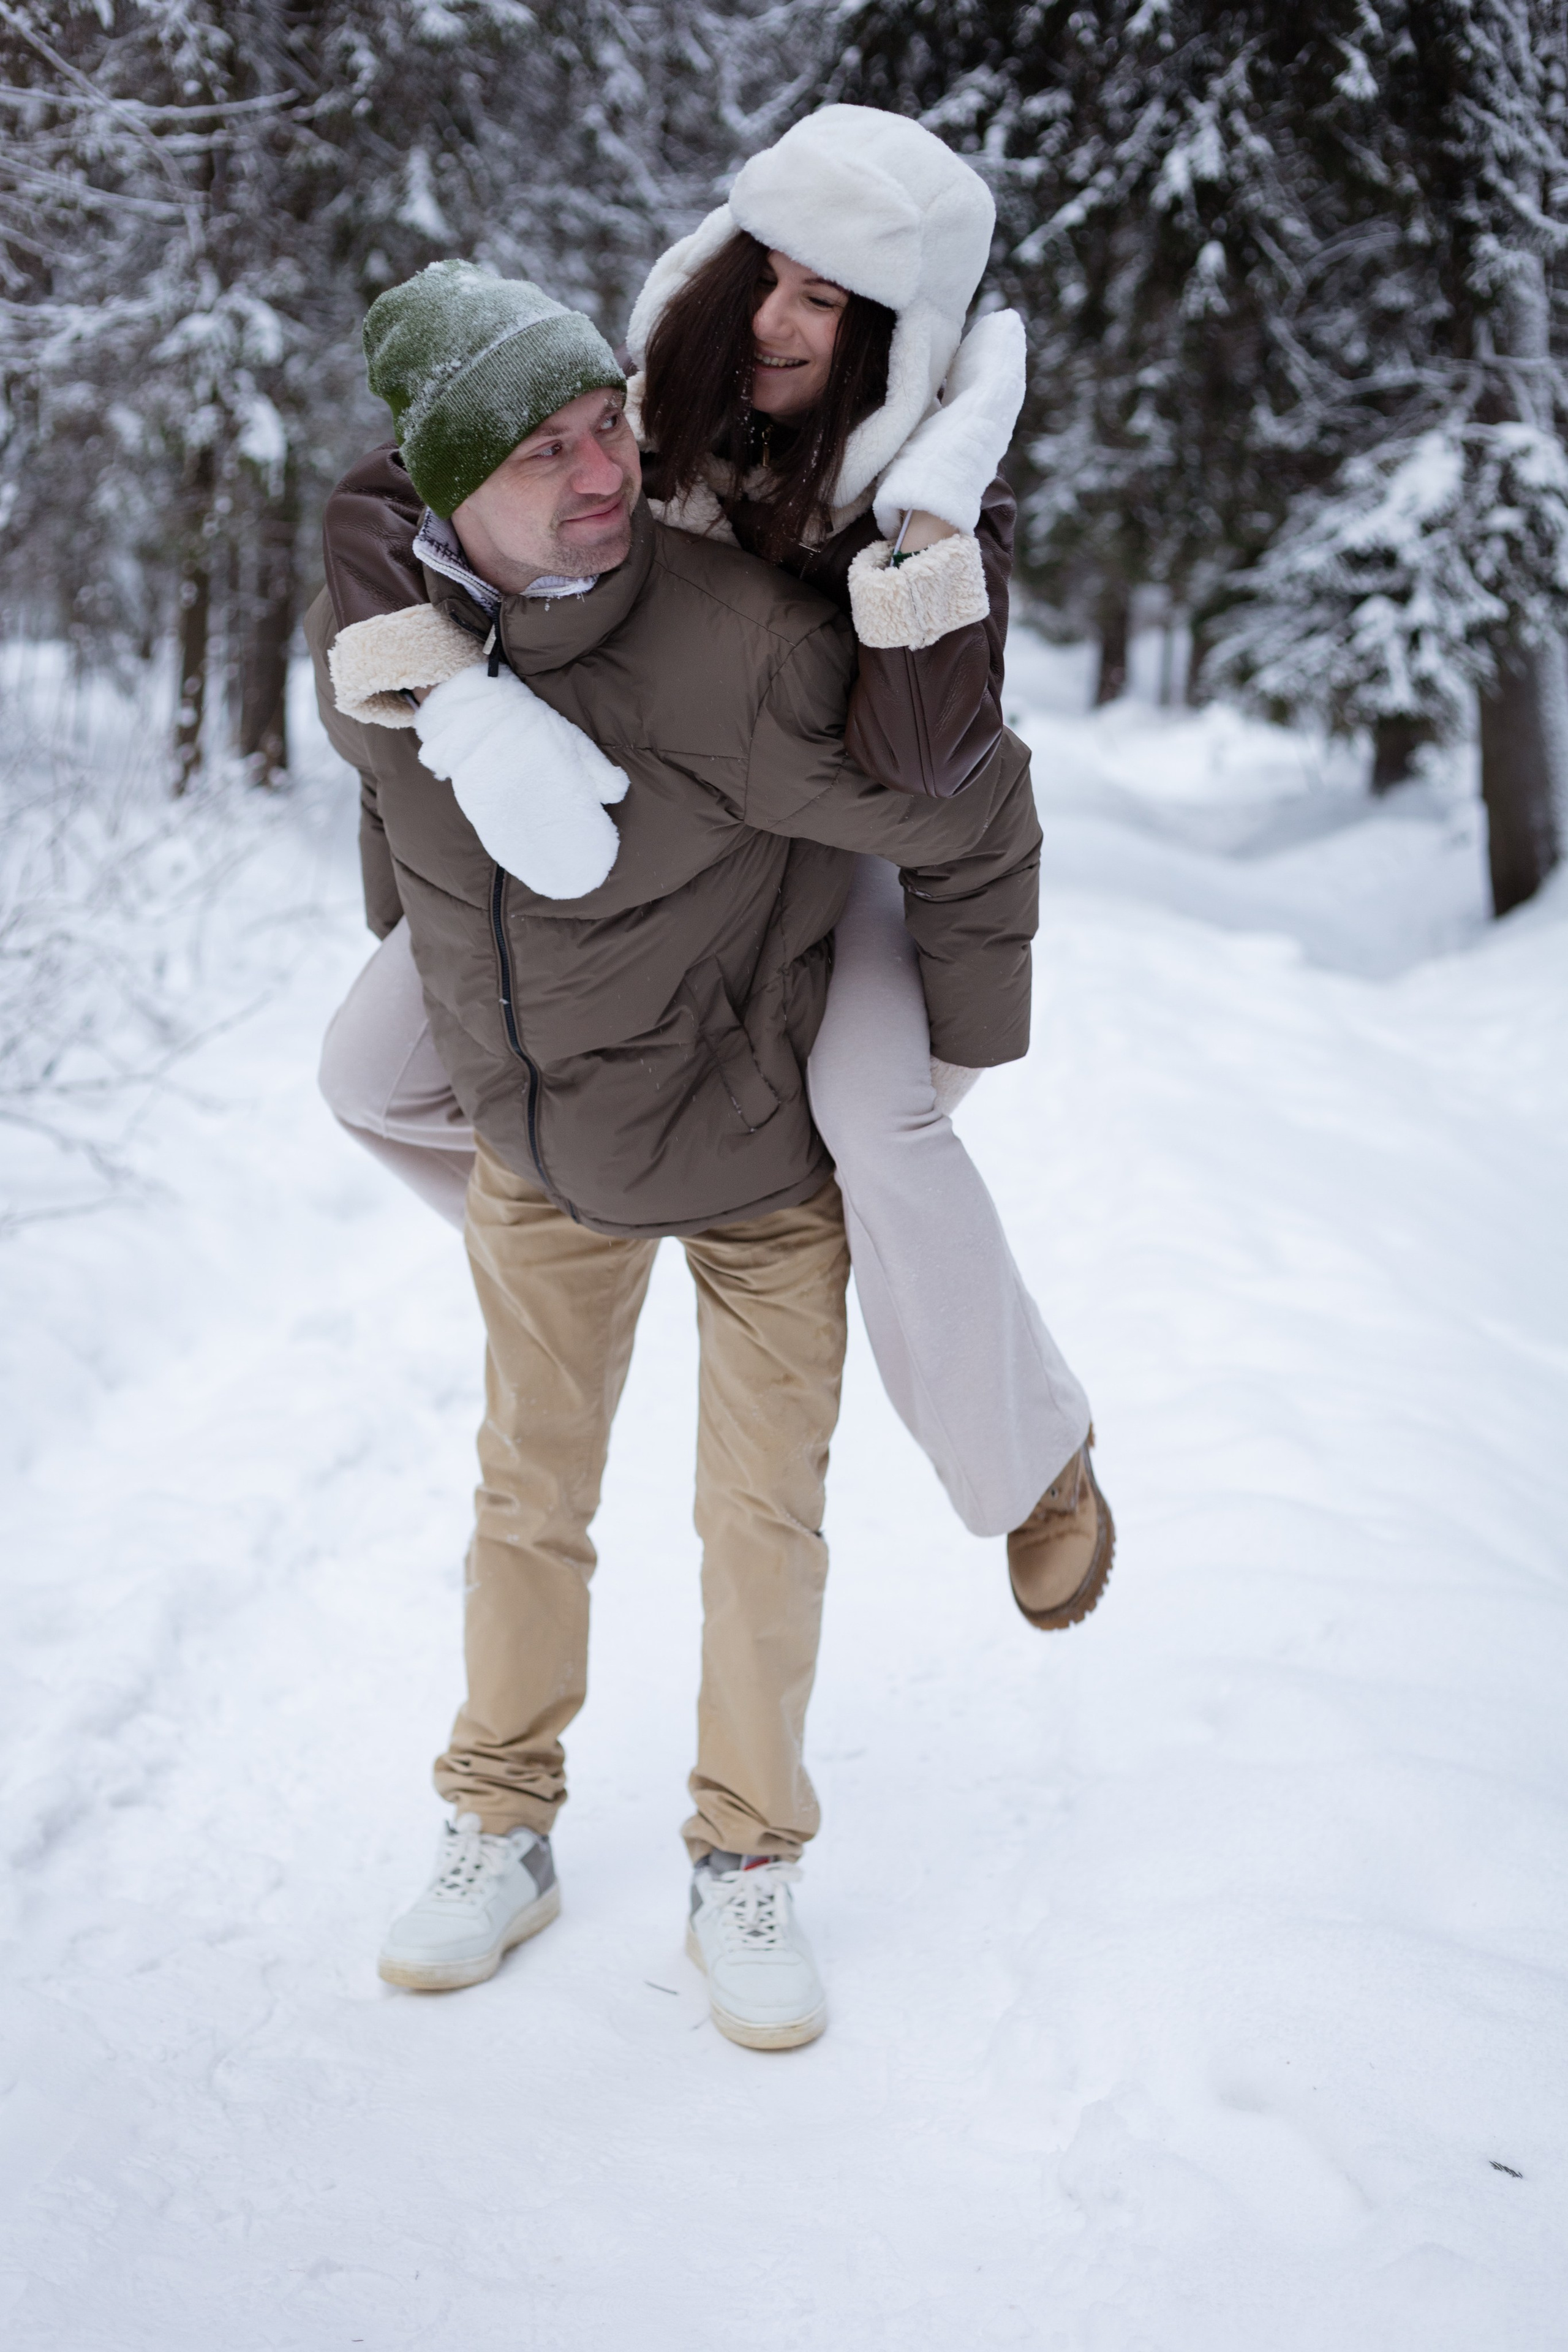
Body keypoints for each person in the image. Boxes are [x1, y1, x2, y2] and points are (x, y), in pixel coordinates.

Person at [306, 247, 1042, 2049]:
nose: (599, 470)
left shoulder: (742, 656)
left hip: (759, 1168)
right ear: (445, 501)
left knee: (756, 1522)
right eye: (541, 451)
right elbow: (405, 863)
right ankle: (500, 1823)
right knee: (525, 1501)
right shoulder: (398, 653)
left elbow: (969, 810)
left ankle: (748, 1856)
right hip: (547, 1156)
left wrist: (940, 1063)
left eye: (601, 427)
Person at [320, 106, 1115, 1638]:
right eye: (766, 272)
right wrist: (417, 661)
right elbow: (390, 488)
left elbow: (929, 768)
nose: (773, 322)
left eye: (825, 300)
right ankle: (619, 1202)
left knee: (873, 1124)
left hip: (832, 840)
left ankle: (1032, 1462)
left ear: (894, 332)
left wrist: (930, 514)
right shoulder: (639, 402)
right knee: (368, 1076)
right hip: (619, 844)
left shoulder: (940, 511)